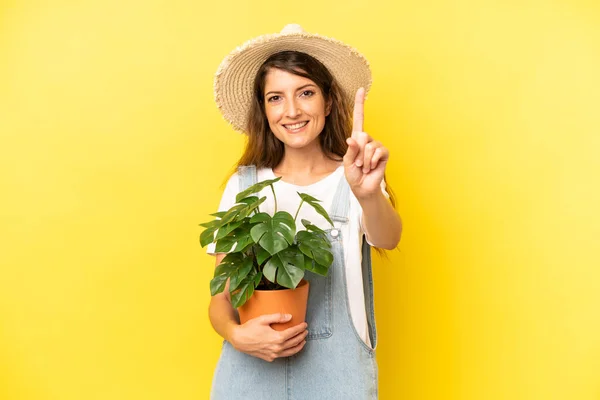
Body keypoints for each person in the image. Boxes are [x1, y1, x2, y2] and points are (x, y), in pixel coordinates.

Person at [207, 24, 402, 399]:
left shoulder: (355, 175)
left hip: (338, 377)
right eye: (275, 98)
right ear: (263, 110)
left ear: (328, 102)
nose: (292, 110)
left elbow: (389, 238)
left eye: (306, 93)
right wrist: (236, 334)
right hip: (248, 371)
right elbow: (220, 299)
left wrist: (367, 193)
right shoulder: (243, 186)